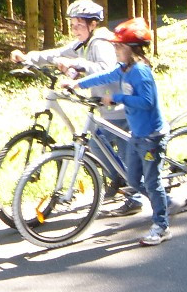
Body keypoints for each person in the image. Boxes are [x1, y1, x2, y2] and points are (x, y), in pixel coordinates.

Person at [10, 0, 142, 215]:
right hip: (105, 107)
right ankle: (118, 179)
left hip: (120, 106)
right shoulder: (84, 43)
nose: (75, 29)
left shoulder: (101, 42)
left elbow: (106, 69)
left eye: (79, 25)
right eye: (72, 25)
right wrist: (29, 57)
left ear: (92, 25)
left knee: (125, 152)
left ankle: (135, 197)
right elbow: (58, 53)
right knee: (98, 147)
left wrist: (77, 65)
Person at [63, 18, 172, 245]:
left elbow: (147, 102)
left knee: (151, 182)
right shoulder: (123, 68)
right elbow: (104, 76)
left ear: (131, 50)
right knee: (132, 179)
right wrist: (77, 84)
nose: (115, 50)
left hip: (151, 137)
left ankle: (161, 226)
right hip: (137, 135)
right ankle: (162, 199)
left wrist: (116, 98)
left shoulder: (140, 72)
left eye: (118, 47)